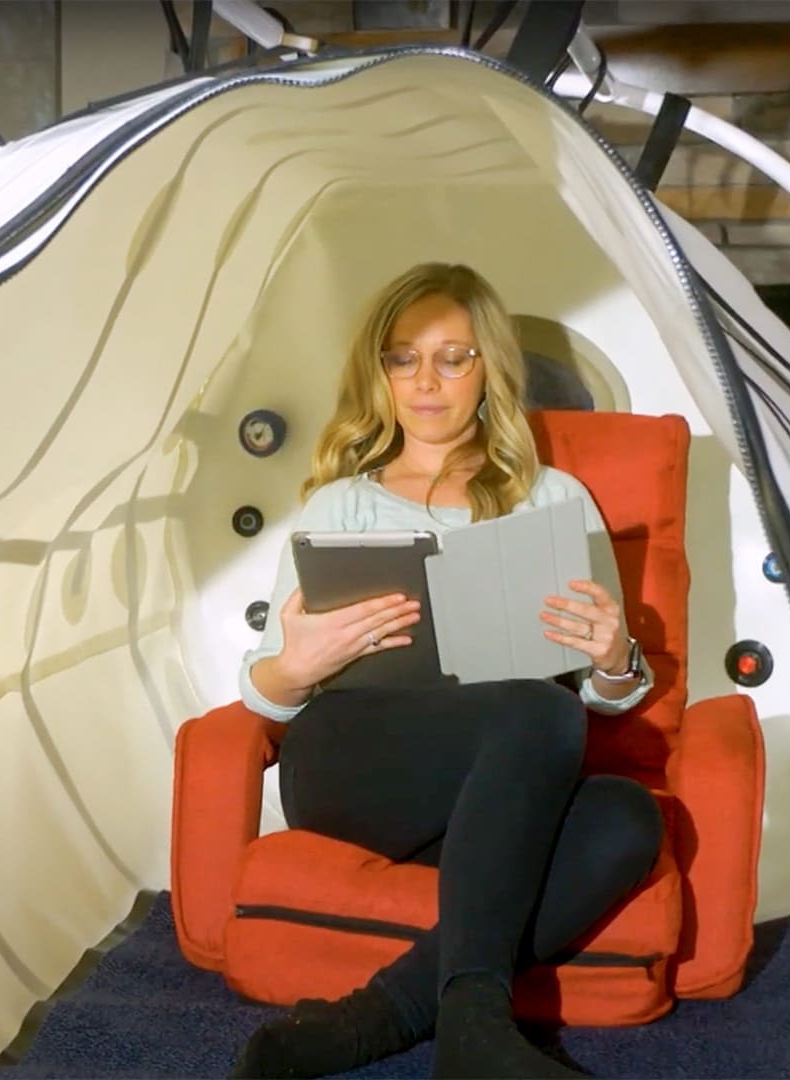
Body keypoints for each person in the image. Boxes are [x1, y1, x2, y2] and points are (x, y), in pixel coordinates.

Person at [231, 263, 663, 1079]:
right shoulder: (342, 506)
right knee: (540, 712)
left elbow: (606, 695)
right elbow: (265, 692)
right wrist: (297, 665)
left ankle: (363, 1026)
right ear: (379, 373)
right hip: (351, 762)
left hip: (492, 780)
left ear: (489, 369)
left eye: (453, 357)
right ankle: (474, 1030)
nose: (425, 380)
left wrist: (612, 660)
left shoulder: (554, 498)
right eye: (403, 358)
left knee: (625, 818)